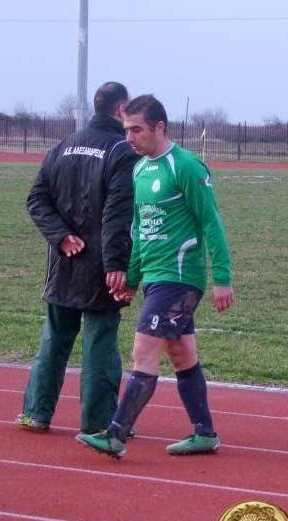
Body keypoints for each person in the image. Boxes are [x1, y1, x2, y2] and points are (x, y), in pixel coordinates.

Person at [78, 94, 235, 459]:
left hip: (179, 277)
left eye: (136, 130)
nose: (129, 138)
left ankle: (115, 435)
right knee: (181, 354)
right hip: (154, 277)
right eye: (126, 130)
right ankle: (205, 433)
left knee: (143, 351)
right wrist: (132, 279)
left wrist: (222, 278)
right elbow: (139, 231)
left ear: (159, 127)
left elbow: (212, 223)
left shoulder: (186, 166)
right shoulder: (139, 170)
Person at [15, 82, 139, 436]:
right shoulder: (122, 151)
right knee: (100, 343)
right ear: (120, 110)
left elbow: (36, 200)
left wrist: (60, 236)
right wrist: (117, 266)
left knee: (54, 338)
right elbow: (117, 216)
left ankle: (35, 412)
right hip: (101, 265)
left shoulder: (63, 145)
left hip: (64, 262)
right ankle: (98, 422)